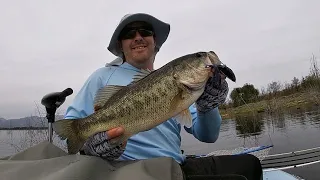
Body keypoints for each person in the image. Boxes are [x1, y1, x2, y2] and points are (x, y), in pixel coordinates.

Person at [63, 13, 262, 180]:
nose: (138, 37)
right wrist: (93, 147)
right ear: (120, 45)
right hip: (128, 172)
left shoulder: (178, 84)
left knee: (250, 165)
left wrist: (207, 105)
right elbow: (72, 129)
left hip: (175, 168)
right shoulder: (102, 76)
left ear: (154, 41)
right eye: (129, 33)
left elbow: (208, 136)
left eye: (145, 32)